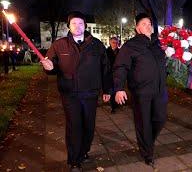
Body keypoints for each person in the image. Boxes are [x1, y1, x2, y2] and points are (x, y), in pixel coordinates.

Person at [41, 11, 112, 171]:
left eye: (81, 23)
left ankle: (84, 150)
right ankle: (74, 160)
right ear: (69, 26)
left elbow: (105, 68)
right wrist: (49, 68)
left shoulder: (96, 44)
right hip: (70, 93)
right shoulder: (59, 45)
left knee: (89, 126)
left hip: (90, 93)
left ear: (85, 26)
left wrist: (107, 89)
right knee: (74, 126)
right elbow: (50, 65)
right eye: (74, 23)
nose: (77, 26)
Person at [113, 13, 167, 167]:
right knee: (143, 123)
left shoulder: (159, 45)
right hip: (141, 92)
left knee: (160, 119)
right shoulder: (130, 46)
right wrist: (119, 88)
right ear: (137, 28)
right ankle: (147, 153)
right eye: (144, 24)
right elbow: (120, 67)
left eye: (149, 23)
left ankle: (147, 141)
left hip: (159, 90)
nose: (148, 25)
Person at [106, 37, 120, 113]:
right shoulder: (106, 52)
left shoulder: (120, 52)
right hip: (110, 74)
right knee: (111, 90)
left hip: (118, 74)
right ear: (110, 43)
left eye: (116, 42)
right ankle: (112, 106)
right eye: (113, 42)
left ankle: (116, 103)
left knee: (117, 89)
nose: (115, 44)